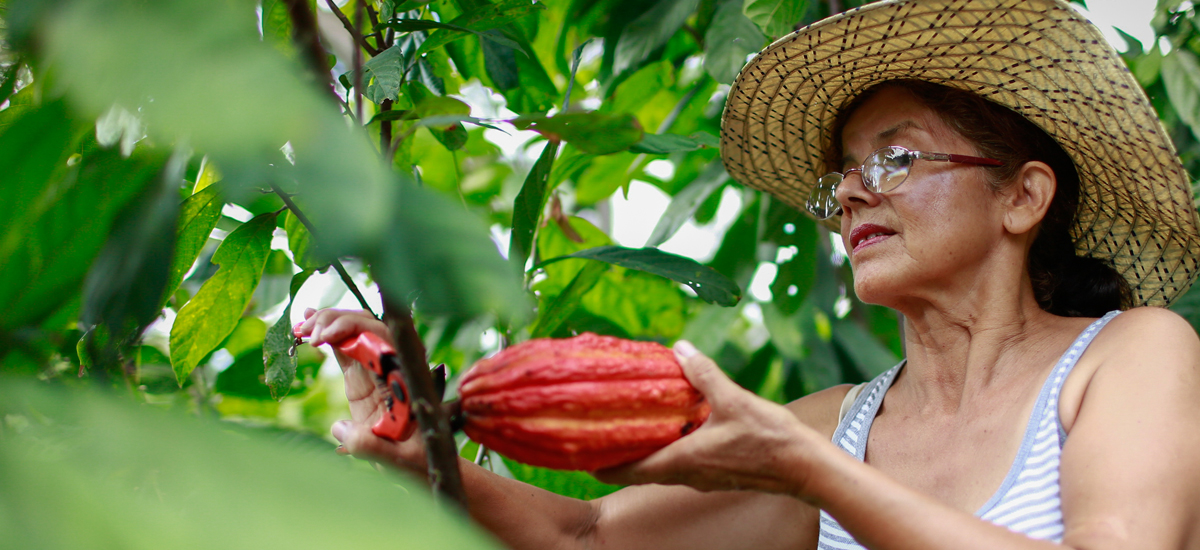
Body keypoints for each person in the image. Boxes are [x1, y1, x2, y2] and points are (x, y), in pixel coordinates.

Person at [294, 0, 1200, 548]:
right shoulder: (836, 429)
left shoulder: (1129, 356)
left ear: (1022, 197)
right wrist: (423, 451)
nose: (850, 193)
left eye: (896, 159)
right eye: (842, 171)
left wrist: (809, 474)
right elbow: (586, 535)